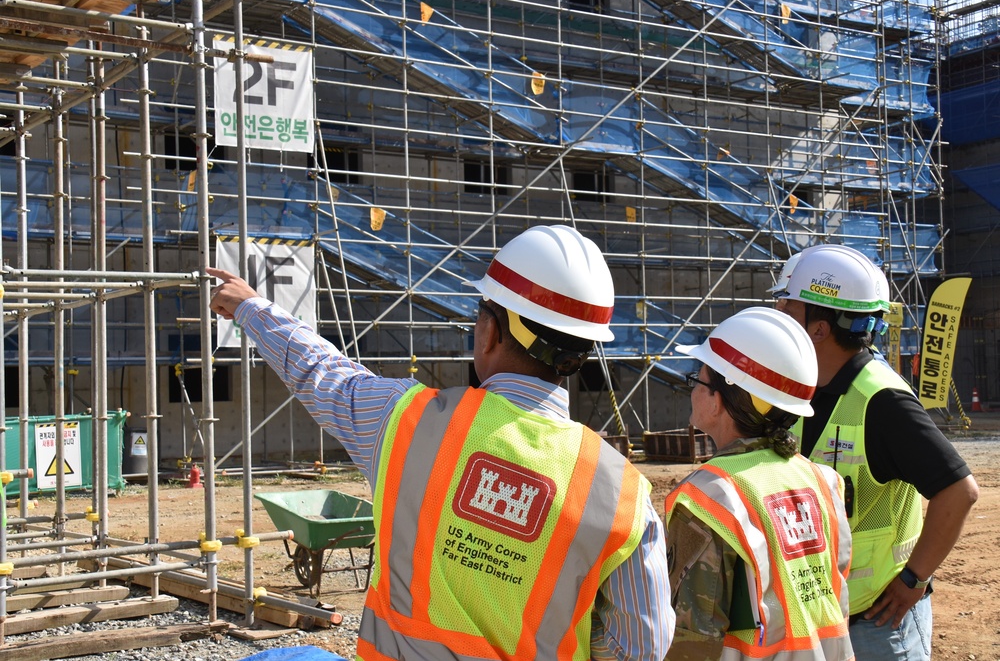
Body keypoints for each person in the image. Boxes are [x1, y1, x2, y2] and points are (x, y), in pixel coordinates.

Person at [208, 224, 675, 660]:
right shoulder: (625, 497)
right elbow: (639, 647)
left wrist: (250, 305)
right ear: (580, 353)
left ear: (489, 330)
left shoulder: (407, 422)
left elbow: (319, 372)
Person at [774, 244, 979, 659]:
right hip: (815, 616)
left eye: (788, 305)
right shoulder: (796, 386)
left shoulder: (883, 401)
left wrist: (914, 580)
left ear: (819, 327)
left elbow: (959, 492)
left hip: (877, 625)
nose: (779, 314)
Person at [664, 307, 853, 660]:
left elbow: (692, 640)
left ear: (721, 400)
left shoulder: (708, 497)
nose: (691, 391)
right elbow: (835, 591)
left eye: (698, 381)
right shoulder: (822, 481)